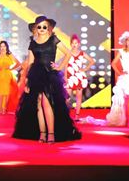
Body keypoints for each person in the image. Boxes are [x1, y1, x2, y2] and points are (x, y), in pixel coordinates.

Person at [13, 15, 81, 143]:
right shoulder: (33, 43)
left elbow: (68, 53)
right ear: (35, 28)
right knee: (38, 103)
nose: (42, 29)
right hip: (35, 75)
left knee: (47, 102)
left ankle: (51, 134)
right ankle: (42, 134)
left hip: (50, 75)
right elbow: (30, 63)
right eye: (39, 27)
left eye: (45, 26)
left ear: (48, 28)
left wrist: (59, 67)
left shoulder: (53, 39)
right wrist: (27, 81)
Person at [61, 34, 95, 121]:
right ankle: (65, 115)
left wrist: (84, 69)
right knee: (67, 97)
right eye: (73, 43)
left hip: (79, 77)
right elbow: (65, 65)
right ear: (70, 44)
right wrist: (65, 76)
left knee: (78, 97)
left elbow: (92, 61)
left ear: (79, 44)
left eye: (76, 43)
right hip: (70, 77)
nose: (74, 45)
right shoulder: (68, 53)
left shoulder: (82, 53)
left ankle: (77, 116)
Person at [0, 40, 22, 114]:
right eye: (1, 46)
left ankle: (4, 108)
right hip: (0, 75)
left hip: (7, 74)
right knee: (0, 92)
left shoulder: (9, 54)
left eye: (4, 46)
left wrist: (11, 69)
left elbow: (18, 63)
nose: (2, 48)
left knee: (7, 92)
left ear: (6, 47)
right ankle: (1, 109)